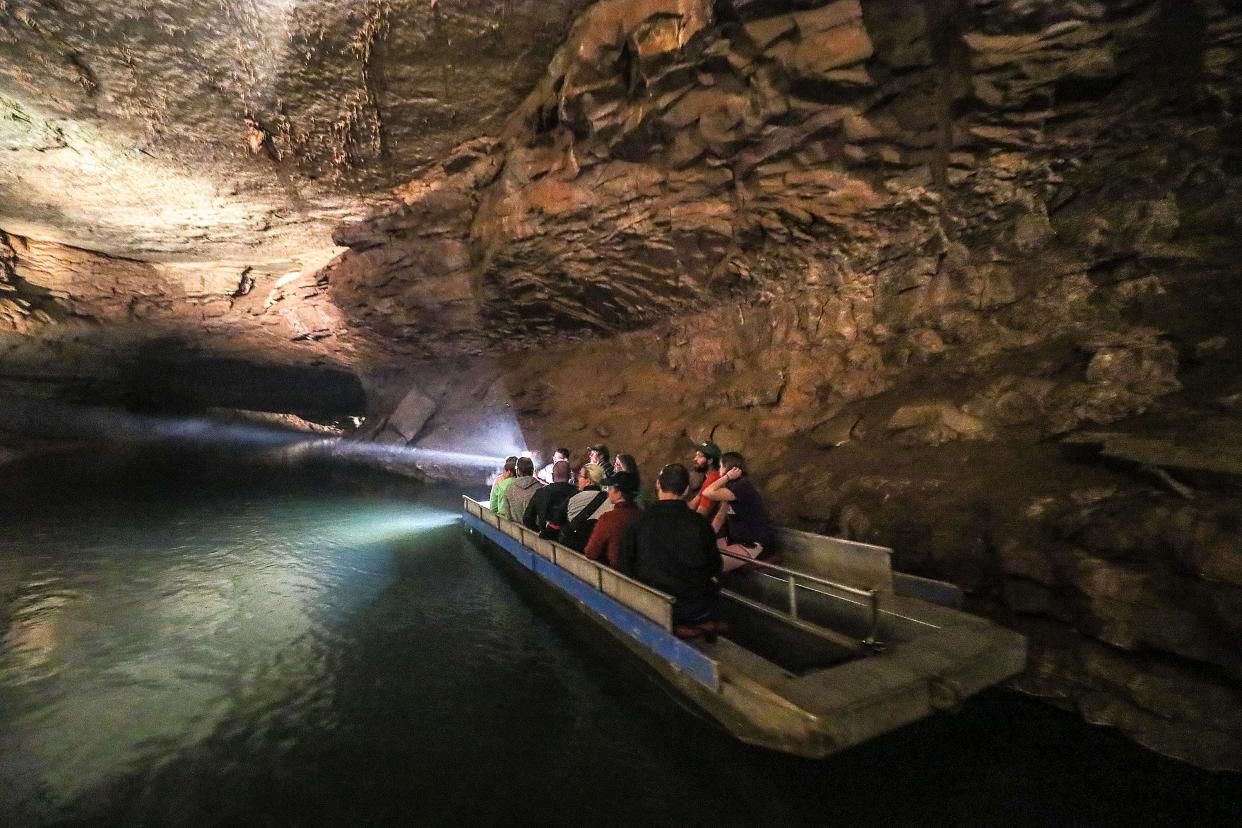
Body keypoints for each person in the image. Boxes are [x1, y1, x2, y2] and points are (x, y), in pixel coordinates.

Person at [617, 463, 721, 631]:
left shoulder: (638, 522)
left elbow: (624, 563)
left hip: (651, 606)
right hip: (693, 610)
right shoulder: (700, 524)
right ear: (686, 490)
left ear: (658, 484)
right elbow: (715, 566)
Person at [700, 452, 774, 572]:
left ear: (729, 468)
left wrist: (726, 477)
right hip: (736, 539)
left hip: (754, 542)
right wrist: (708, 537)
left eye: (721, 466)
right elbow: (720, 516)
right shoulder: (729, 489)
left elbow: (708, 492)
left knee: (708, 565)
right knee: (697, 551)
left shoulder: (741, 487)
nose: (719, 470)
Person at [584, 471, 642, 568]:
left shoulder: (608, 518)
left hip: (616, 572)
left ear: (619, 493)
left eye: (610, 488)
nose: (608, 491)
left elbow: (590, 552)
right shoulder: (642, 515)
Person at [556, 462, 612, 551]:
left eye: (580, 476)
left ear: (589, 481)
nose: (578, 478)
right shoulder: (611, 500)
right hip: (600, 549)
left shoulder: (573, 498)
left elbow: (558, 520)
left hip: (576, 548)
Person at [523, 459, 577, 534]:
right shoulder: (577, 493)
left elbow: (527, 519)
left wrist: (540, 531)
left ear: (552, 476)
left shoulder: (541, 492)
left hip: (545, 537)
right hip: (568, 540)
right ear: (570, 475)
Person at [687, 441, 722, 520]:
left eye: (699, 456)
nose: (695, 459)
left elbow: (701, 515)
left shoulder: (713, 480)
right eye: (696, 455)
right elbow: (693, 504)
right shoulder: (710, 477)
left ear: (710, 461)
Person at [502, 456, 542, 520]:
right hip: (534, 529)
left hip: (513, 529)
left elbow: (508, 517)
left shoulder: (509, 489)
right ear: (533, 470)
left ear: (517, 471)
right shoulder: (541, 489)